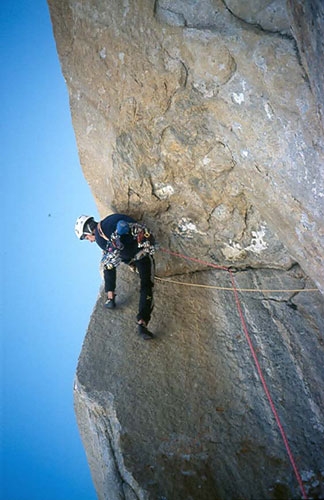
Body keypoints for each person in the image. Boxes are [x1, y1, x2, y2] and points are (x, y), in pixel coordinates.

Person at [75, 213, 155, 339]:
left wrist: (110, 293)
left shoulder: (100, 237)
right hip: (144, 251)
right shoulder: (112, 218)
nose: (90, 241)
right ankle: (142, 322)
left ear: (87, 231)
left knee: (107, 262)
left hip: (136, 255)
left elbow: (110, 263)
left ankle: (110, 297)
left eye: (86, 238)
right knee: (147, 285)